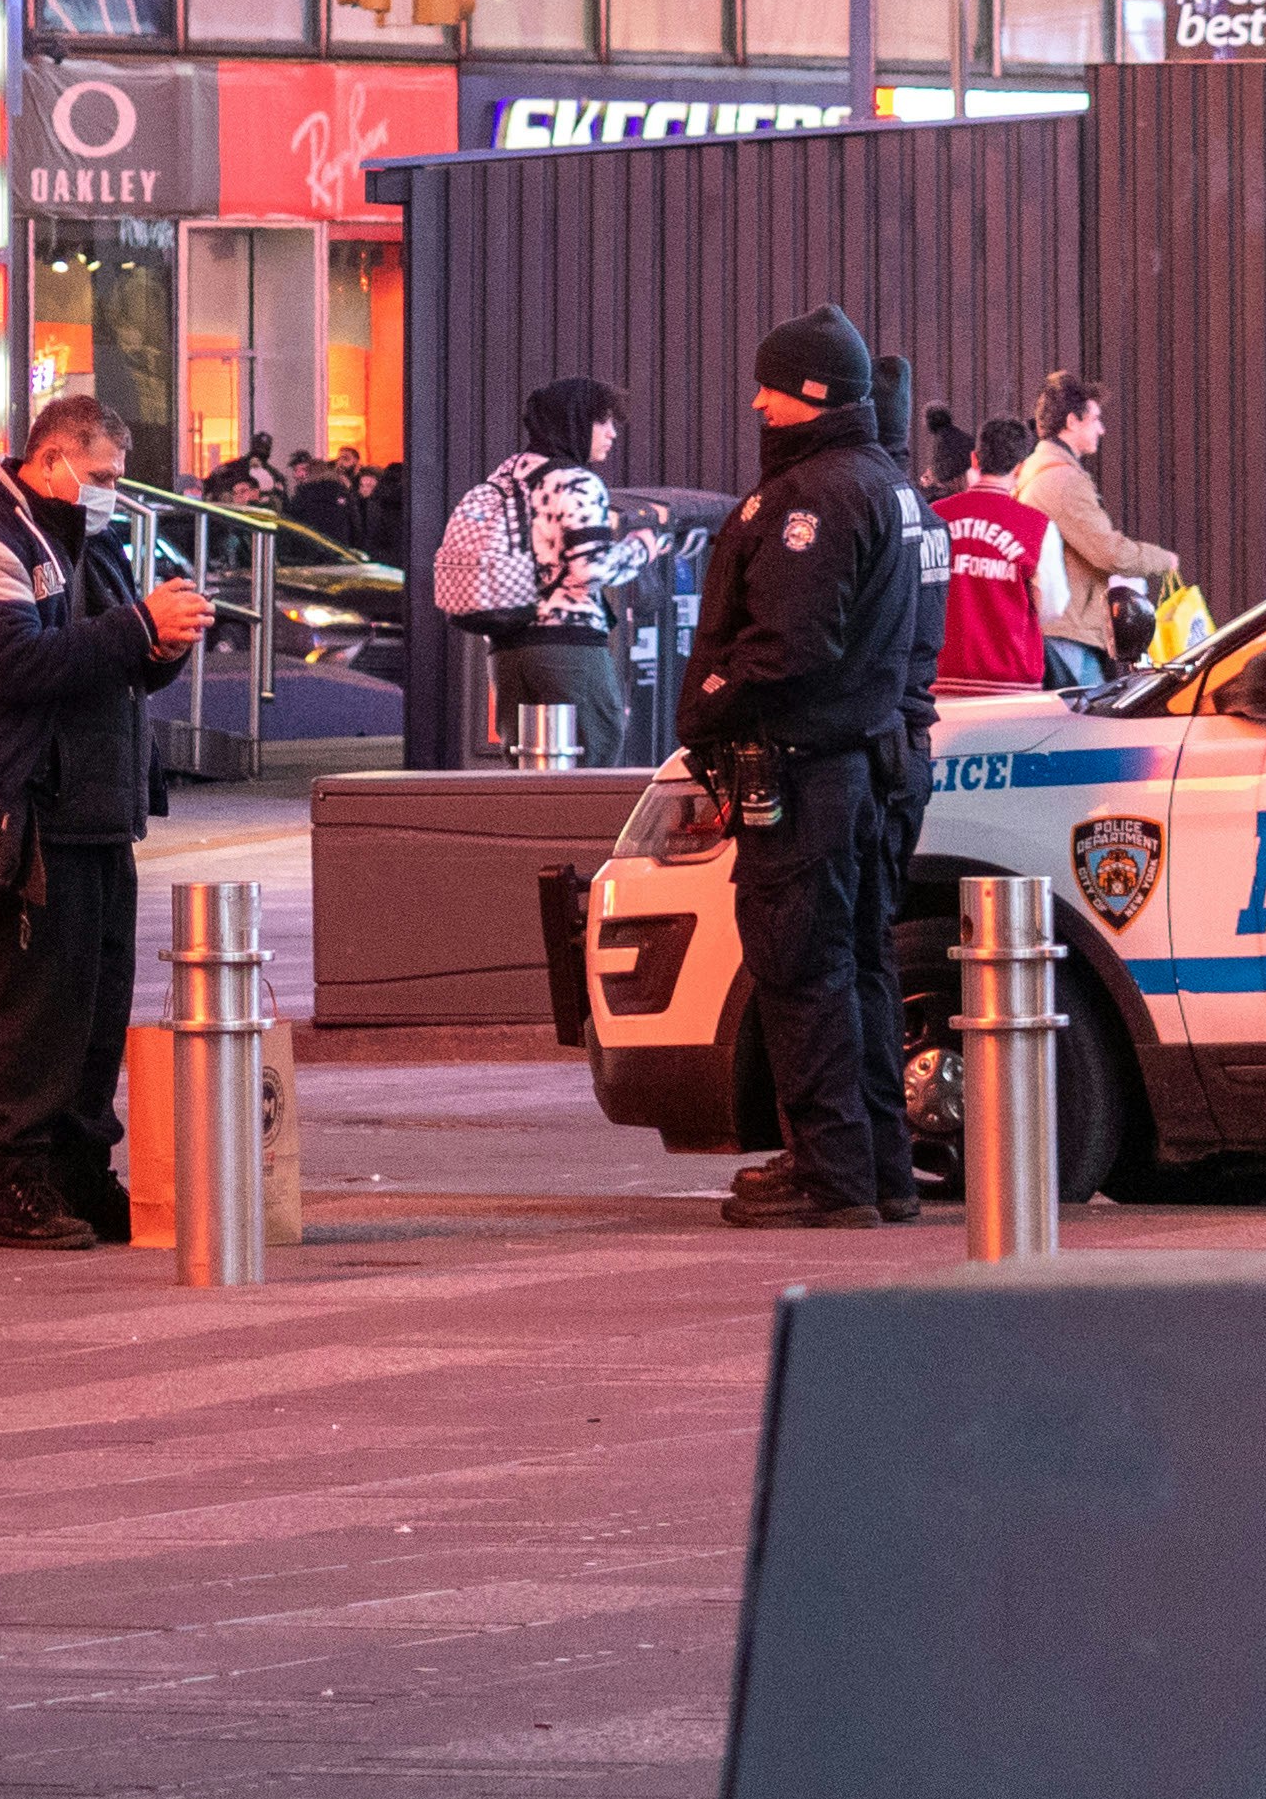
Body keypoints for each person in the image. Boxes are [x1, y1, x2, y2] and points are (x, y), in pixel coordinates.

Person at [0, 387, 208, 1249]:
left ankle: (79, 1169)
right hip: (26, 811)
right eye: (101, 474)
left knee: (95, 1005)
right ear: (49, 460)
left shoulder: (87, 538)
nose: (112, 489)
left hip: (98, 808)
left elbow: (111, 660)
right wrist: (134, 628)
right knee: (30, 1006)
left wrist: (161, 647)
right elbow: (13, 662)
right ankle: (13, 1182)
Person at [679, 305, 922, 1231]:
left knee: (800, 971)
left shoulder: (811, 498)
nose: (756, 402)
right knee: (858, 968)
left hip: (807, 771)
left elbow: (790, 645)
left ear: (809, 393)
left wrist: (707, 701)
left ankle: (829, 1173)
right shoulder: (884, 484)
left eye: (770, 387)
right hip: (858, 769)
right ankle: (878, 1168)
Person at [429, 374, 653, 764]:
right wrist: (643, 547)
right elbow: (590, 568)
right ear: (576, 422)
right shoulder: (575, 481)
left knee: (526, 765)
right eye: (604, 422)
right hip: (569, 646)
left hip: (507, 647)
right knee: (595, 753)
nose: (612, 434)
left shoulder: (505, 477)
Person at [1010, 372, 1178, 692]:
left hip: (1059, 630)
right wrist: (1162, 560)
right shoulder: (1062, 481)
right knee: (1088, 729)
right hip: (1069, 634)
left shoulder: (1036, 471)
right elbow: (1107, 552)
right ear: (1073, 421)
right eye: (1096, 419)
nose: (1102, 429)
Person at [935, 414, 1048, 700]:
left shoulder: (935, 516)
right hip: (1012, 684)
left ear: (974, 460)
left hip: (942, 678)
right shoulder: (1037, 526)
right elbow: (1051, 604)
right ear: (1021, 469)